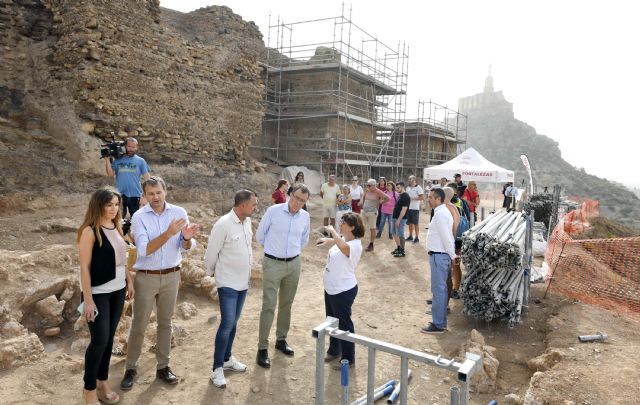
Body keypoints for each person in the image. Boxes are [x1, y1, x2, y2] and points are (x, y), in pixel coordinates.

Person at [121, 176, 199, 390]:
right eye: (150, 194)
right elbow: (144, 249)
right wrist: (169, 233)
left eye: (158, 192)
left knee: (165, 322)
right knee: (139, 323)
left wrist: (185, 238)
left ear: (165, 191)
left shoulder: (179, 213)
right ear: (144, 195)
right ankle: (131, 367)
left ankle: (163, 366)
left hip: (172, 275)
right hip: (146, 276)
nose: (155, 197)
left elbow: (186, 246)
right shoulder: (138, 217)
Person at [78, 187, 134, 405]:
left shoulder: (117, 226)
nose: (114, 209)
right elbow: (84, 267)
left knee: (109, 338)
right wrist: (88, 300)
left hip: (118, 290)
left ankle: (103, 381)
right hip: (98, 293)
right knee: (99, 340)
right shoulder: (89, 231)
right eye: (109, 204)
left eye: (117, 204)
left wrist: (129, 282)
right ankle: (89, 389)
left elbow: (123, 259)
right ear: (98, 205)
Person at [205, 190, 258, 388]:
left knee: (233, 322)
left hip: (242, 282)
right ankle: (216, 368)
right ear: (242, 205)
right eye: (253, 205)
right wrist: (210, 272)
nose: (255, 208)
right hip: (227, 282)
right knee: (227, 323)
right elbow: (212, 252)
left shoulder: (246, 222)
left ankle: (227, 359)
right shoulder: (223, 224)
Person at [255, 184, 311, 369]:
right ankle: (262, 348)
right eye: (296, 198)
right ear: (290, 195)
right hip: (272, 263)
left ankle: (281, 339)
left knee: (287, 303)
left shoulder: (305, 216)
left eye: (302, 201)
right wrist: (273, 253)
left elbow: (304, 239)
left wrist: (291, 254)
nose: (298, 203)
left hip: (294, 264)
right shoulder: (273, 211)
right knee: (269, 305)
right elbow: (260, 235)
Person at [316, 212, 365, 369]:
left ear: (352, 226)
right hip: (331, 288)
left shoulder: (355, 245)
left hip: (343, 291)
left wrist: (332, 231)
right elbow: (339, 242)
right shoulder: (345, 239)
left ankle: (348, 358)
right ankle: (334, 350)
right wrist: (327, 240)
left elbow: (343, 247)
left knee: (344, 325)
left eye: (343, 222)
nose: (340, 224)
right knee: (332, 321)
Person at [422, 188, 456, 334]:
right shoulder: (440, 212)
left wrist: (453, 255)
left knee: (438, 290)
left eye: (430, 197)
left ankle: (439, 324)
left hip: (439, 256)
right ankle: (439, 321)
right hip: (439, 255)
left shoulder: (441, 214)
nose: (428, 199)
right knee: (439, 290)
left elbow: (446, 237)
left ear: (438, 199)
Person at [103, 137, 150, 219]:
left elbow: (147, 178)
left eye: (133, 147)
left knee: (137, 219)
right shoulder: (117, 160)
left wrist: (145, 195)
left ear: (136, 147)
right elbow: (110, 174)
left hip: (135, 195)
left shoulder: (140, 161)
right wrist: (107, 160)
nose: (131, 149)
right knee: (119, 219)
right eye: (129, 146)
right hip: (120, 195)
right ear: (124, 146)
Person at [359, 179, 389, 252]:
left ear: (374, 185)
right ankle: (358, 242)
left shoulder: (378, 191)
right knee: (361, 226)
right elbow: (363, 197)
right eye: (367, 185)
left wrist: (380, 202)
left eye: (369, 185)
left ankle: (371, 244)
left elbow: (387, 198)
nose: (368, 186)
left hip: (372, 212)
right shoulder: (367, 190)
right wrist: (361, 203)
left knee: (372, 228)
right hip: (364, 211)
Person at [391, 182, 411, 258]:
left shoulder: (406, 196)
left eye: (398, 187)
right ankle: (399, 248)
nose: (397, 189)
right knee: (394, 233)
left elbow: (404, 210)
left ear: (402, 187)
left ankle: (402, 251)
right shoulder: (400, 195)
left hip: (401, 219)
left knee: (400, 234)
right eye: (396, 187)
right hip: (394, 217)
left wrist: (399, 220)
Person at [405, 175, 425, 244]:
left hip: (415, 208)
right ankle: (410, 236)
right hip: (408, 208)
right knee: (410, 223)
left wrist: (412, 198)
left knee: (416, 223)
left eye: (410, 179)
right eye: (408, 179)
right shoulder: (407, 188)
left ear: (414, 179)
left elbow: (422, 197)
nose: (409, 180)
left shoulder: (418, 187)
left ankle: (416, 237)